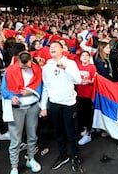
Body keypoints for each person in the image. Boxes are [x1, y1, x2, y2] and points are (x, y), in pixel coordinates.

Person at [40, 41, 83, 172]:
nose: (52, 49)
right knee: (58, 132)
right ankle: (63, 155)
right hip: (54, 104)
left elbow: (78, 80)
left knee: (71, 133)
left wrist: (66, 68)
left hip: (69, 104)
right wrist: (43, 106)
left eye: (55, 47)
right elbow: (46, 87)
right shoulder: (46, 67)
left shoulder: (70, 63)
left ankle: (75, 157)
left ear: (62, 49)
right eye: (50, 47)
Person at [1, 52, 43, 174]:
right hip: (16, 108)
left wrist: (31, 91)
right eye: (22, 66)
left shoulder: (36, 68)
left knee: (32, 135)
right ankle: (14, 166)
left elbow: (40, 84)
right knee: (15, 139)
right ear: (18, 61)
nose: (24, 68)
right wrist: (11, 96)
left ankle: (31, 159)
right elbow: (4, 89)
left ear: (31, 61)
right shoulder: (10, 70)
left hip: (32, 106)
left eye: (27, 65)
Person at [75, 50, 97, 146]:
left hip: (88, 95)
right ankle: (83, 128)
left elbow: (93, 81)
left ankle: (88, 132)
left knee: (88, 114)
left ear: (89, 57)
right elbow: (75, 79)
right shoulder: (77, 66)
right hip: (78, 94)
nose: (84, 57)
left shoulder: (92, 67)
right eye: (82, 55)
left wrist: (85, 81)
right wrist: (81, 81)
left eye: (86, 55)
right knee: (80, 113)